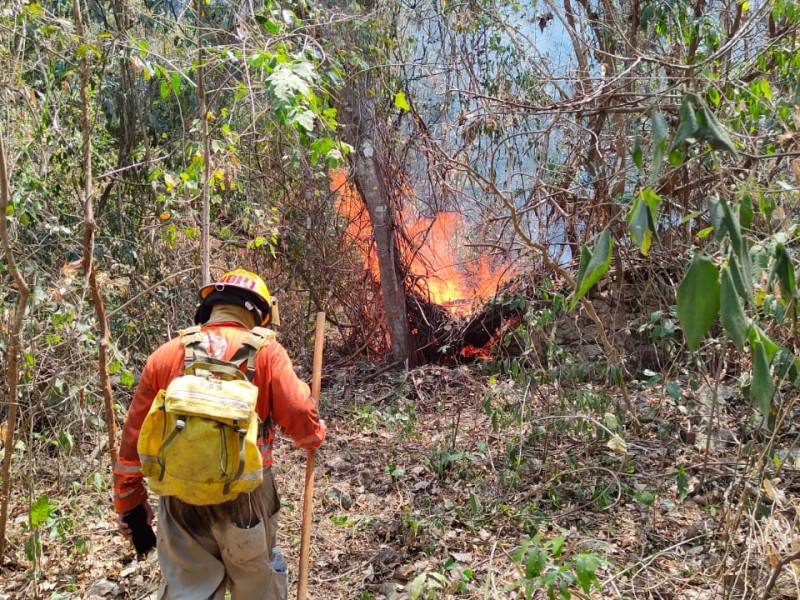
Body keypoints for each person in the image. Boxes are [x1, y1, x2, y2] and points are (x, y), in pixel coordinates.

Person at [113, 269, 326, 599]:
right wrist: (313, 435)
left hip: (180, 495)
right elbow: (299, 413)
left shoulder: (166, 355)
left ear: (210, 306)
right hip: (247, 496)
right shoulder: (267, 352)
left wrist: (129, 501)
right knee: (257, 584)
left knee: (188, 590)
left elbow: (134, 440)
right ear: (258, 313)